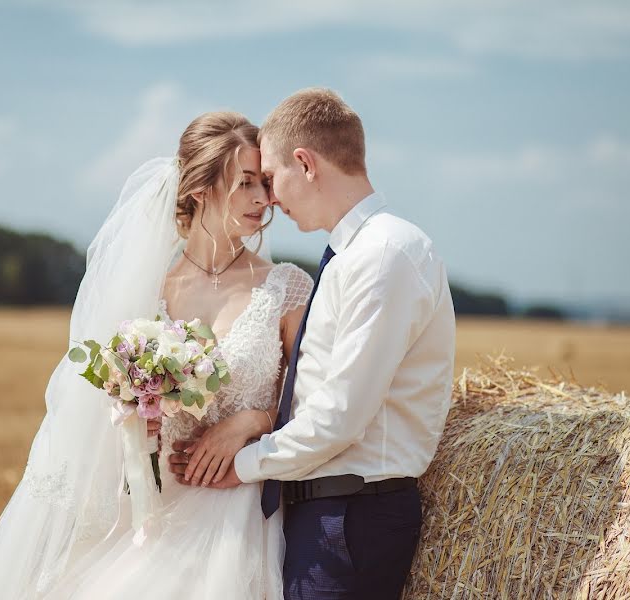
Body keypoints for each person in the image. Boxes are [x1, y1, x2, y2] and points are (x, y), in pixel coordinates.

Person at [0, 111, 313, 599]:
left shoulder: (287, 288)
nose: (263, 199)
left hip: (240, 505)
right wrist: (136, 417)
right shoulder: (147, 289)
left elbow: (321, 398)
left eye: (265, 183)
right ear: (199, 190)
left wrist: (256, 419)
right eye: (246, 182)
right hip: (156, 505)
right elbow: (107, 408)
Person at [170, 88, 457, 600]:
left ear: (304, 163)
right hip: (324, 510)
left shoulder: (383, 254)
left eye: (272, 178)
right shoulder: (354, 256)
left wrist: (239, 465)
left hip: (350, 514)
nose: (270, 199)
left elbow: (341, 415)